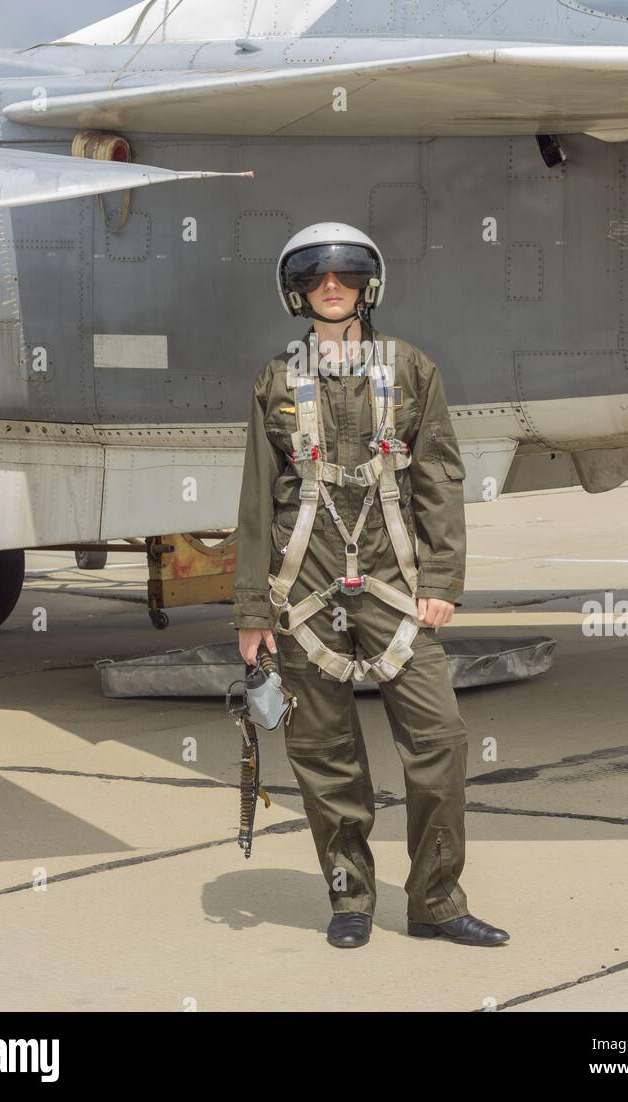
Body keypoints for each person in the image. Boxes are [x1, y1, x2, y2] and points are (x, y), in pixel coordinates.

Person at [232, 222, 509, 949]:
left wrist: (443, 577)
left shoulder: (412, 370)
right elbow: (256, 500)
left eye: (346, 277)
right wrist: (251, 609)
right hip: (304, 589)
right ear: (297, 291)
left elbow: (440, 479)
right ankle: (350, 897)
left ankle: (436, 903)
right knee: (325, 757)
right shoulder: (273, 380)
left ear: (367, 286)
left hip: (396, 585)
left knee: (442, 741)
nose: (332, 288)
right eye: (318, 278)